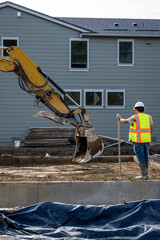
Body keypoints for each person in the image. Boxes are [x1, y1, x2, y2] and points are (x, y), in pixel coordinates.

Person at [116, 101, 153, 180]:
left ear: (136, 110)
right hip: (147, 140)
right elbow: (151, 128)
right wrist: (148, 136)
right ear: (143, 109)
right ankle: (145, 174)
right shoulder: (149, 117)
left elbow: (125, 121)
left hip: (138, 141)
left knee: (140, 157)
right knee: (146, 156)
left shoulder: (135, 117)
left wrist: (120, 118)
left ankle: (144, 175)